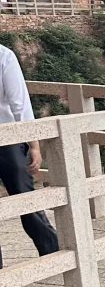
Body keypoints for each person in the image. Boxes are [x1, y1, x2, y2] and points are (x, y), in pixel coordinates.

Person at [0, 42, 59, 268]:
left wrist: (33, 144)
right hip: (10, 138)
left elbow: (19, 104)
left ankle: (51, 252)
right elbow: (20, 104)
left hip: (10, 138)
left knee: (25, 199)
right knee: (25, 197)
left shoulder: (4, 56)